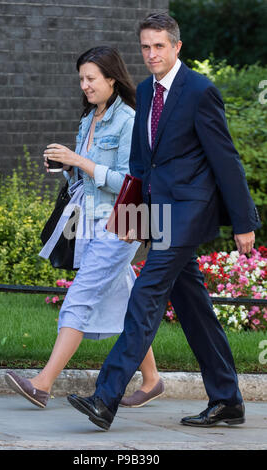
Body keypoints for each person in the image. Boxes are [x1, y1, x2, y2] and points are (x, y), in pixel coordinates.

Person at [67, 13, 262, 430]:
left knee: (145, 295)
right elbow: (141, 163)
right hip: (158, 212)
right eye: (145, 47)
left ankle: (105, 399)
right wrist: (132, 214)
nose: (151, 54)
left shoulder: (199, 91)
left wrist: (243, 221)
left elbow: (225, 160)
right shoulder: (143, 90)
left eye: (159, 46)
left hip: (188, 213)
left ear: (176, 47)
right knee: (194, 309)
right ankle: (228, 400)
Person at [4, 46, 164, 409]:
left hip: (121, 220)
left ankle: (42, 383)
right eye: (81, 79)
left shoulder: (130, 121)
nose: (85, 85)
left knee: (80, 298)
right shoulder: (88, 118)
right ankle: (152, 379)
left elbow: (131, 179)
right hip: (89, 218)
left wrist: (80, 160)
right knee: (126, 303)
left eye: (91, 78)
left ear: (111, 78)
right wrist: (67, 166)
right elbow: (87, 174)